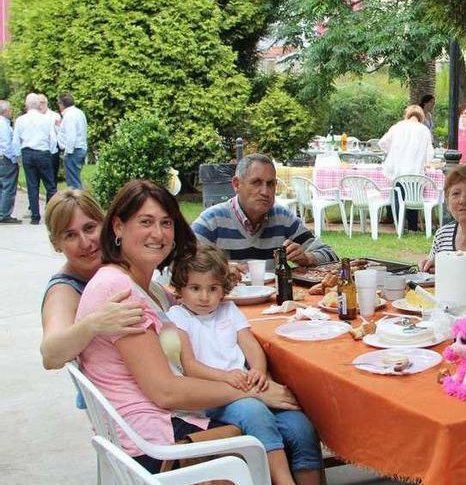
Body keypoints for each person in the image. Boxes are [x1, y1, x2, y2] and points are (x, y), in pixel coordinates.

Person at [76, 180, 300, 474]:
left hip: (171, 417)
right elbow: (166, 392)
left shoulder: (152, 289)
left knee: (294, 426)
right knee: (266, 426)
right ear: (118, 227)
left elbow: (201, 302)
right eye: (146, 222)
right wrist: (251, 391)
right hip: (152, 439)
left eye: (166, 223)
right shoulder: (119, 291)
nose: (158, 233)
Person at [169, 244, 321, 485]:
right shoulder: (179, 317)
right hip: (215, 396)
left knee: (300, 426)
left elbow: (251, 346)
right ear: (179, 290)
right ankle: (283, 481)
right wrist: (225, 376)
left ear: (223, 290)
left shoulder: (229, 310)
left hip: (248, 385)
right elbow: (190, 366)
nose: (204, 296)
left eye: (213, 288)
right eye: (195, 288)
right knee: (255, 412)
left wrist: (259, 370)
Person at [39, 190, 145, 370]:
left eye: (89, 228)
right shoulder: (64, 290)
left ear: (105, 225)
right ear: (56, 243)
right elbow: (50, 355)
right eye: (70, 235)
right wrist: (94, 323)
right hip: (110, 396)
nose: (85, 243)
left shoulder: (119, 261)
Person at [192, 154, 337, 267]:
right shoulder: (212, 221)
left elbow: (331, 255)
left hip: (272, 304)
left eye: (270, 184)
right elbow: (180, 263)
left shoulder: (282, 219)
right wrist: (219, 269)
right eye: (256, 183)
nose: (265, 192)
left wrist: (307, 258)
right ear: (236, 184)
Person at [379, 104, 434, 232]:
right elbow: (429, 153)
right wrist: (424, 160)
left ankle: (399, 226)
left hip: (397, 169)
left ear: (407, 114)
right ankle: (413, 227)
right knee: (413, 198)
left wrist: (392, 151)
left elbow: (382, 143)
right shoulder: (424, 130)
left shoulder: (397, 127)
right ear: (421, 117)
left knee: (398, 197)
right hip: (415, 170)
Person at [13, 93, 58, 225]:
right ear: (39, 105)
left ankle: (34, 216)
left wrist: (17, 156)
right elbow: (53, 138)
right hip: (43, 152)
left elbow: (16, 141)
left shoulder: (20, 120)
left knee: (32, 185)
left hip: (27, 152)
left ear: (26, 105)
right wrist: (50, 151)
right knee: (50, 185)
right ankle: (53, 213)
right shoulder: (46, 119)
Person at [57, 93, 88, 190]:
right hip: (79, 148)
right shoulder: (78, 112)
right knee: (75, 179)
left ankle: (77, 203)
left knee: (73, 183)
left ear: (62, 104)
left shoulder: (69, 116)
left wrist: (67, 152)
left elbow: (71, 136)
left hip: (73, 150)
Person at [0, 100, 20, 224]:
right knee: (8, 185)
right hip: (5, 158)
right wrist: (14, 159)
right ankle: (4, 214)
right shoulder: (3, 125)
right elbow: (6, 144)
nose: (11, 112)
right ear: (6, 111)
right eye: (10, 109)